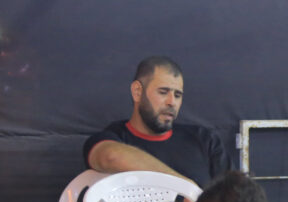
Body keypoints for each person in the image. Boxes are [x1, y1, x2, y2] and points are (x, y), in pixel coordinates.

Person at [83, 56, 230, 187]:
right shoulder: (114, 137)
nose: (172, 102)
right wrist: (185, 187)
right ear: (137, 92)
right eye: (163, 92)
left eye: (177, 95)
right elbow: (111, 156)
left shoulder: (204, 139)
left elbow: (233, 194)